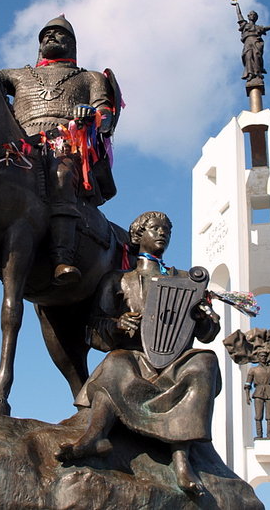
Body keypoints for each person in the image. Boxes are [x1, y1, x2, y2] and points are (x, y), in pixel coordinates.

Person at [57, 211, 222, 496]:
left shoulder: (186, 280)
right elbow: (93, 329)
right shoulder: (118, 281)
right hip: (136, 359)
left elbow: (208, 333)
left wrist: (204, 317)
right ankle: (95, 436)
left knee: (205, 361)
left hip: (175, 364)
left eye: (167, 230)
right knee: (116, 362)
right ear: (137, 236)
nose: (162, 233)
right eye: (155, 228)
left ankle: (181, 458)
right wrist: (117, 326)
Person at [0, 16, 120, 284]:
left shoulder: (90, 77)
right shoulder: (18, 74)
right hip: (19, 146)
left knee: (61, 175)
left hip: (64, 142)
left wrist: (91, 115)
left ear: (72, 43)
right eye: (45, 34)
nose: (50, 38)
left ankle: (63, 257)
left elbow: (105, 114)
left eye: (58, 34)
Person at [232, 2, 270, 81]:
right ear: (248, 16)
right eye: (251, 14)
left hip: (256, 42)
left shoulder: (258, 27)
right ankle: (250, 73)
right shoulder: (244, 25)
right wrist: (237, 6)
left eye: (254, 15)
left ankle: (257, 72)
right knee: (248, 57)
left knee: (257, 56)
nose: (252, 16)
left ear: (256, 18)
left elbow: (266, 28)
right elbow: (239, 15)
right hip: (248, 42)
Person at [245, 349, 270, 439]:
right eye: (261, 356)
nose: (263, 358)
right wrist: (247, 396)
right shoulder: (253, 370)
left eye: (265, 356)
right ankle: (259, 435)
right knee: (258, 415)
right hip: (258, 392)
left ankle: (269, 434)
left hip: (269, 392)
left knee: (269, 415)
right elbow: (247, 384)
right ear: (258, 358)